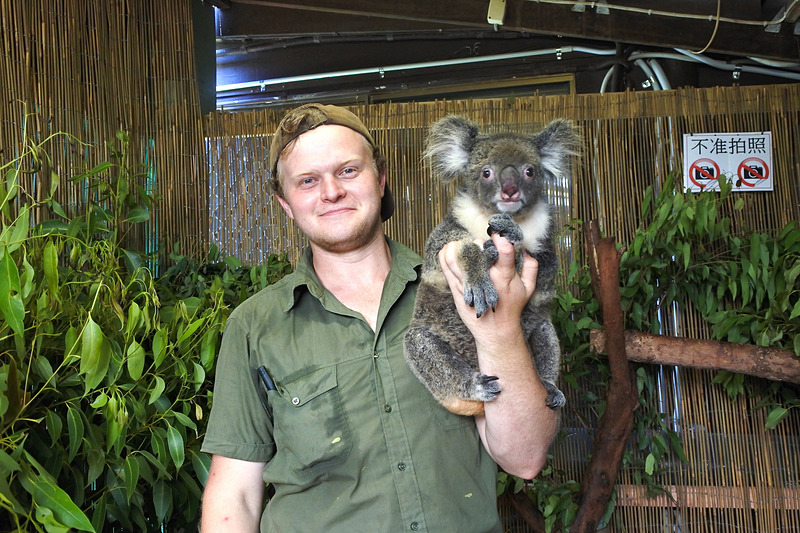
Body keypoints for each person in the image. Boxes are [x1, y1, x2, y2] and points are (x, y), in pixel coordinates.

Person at [200, 103, 559, 532]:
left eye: (348, 170)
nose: (331, 191)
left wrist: (500, 328)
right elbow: (234, 495)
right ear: (285, 203)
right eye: (308, 181)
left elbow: (524, 458)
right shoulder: (254, 326)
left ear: (380, 178)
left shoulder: (465, 282)